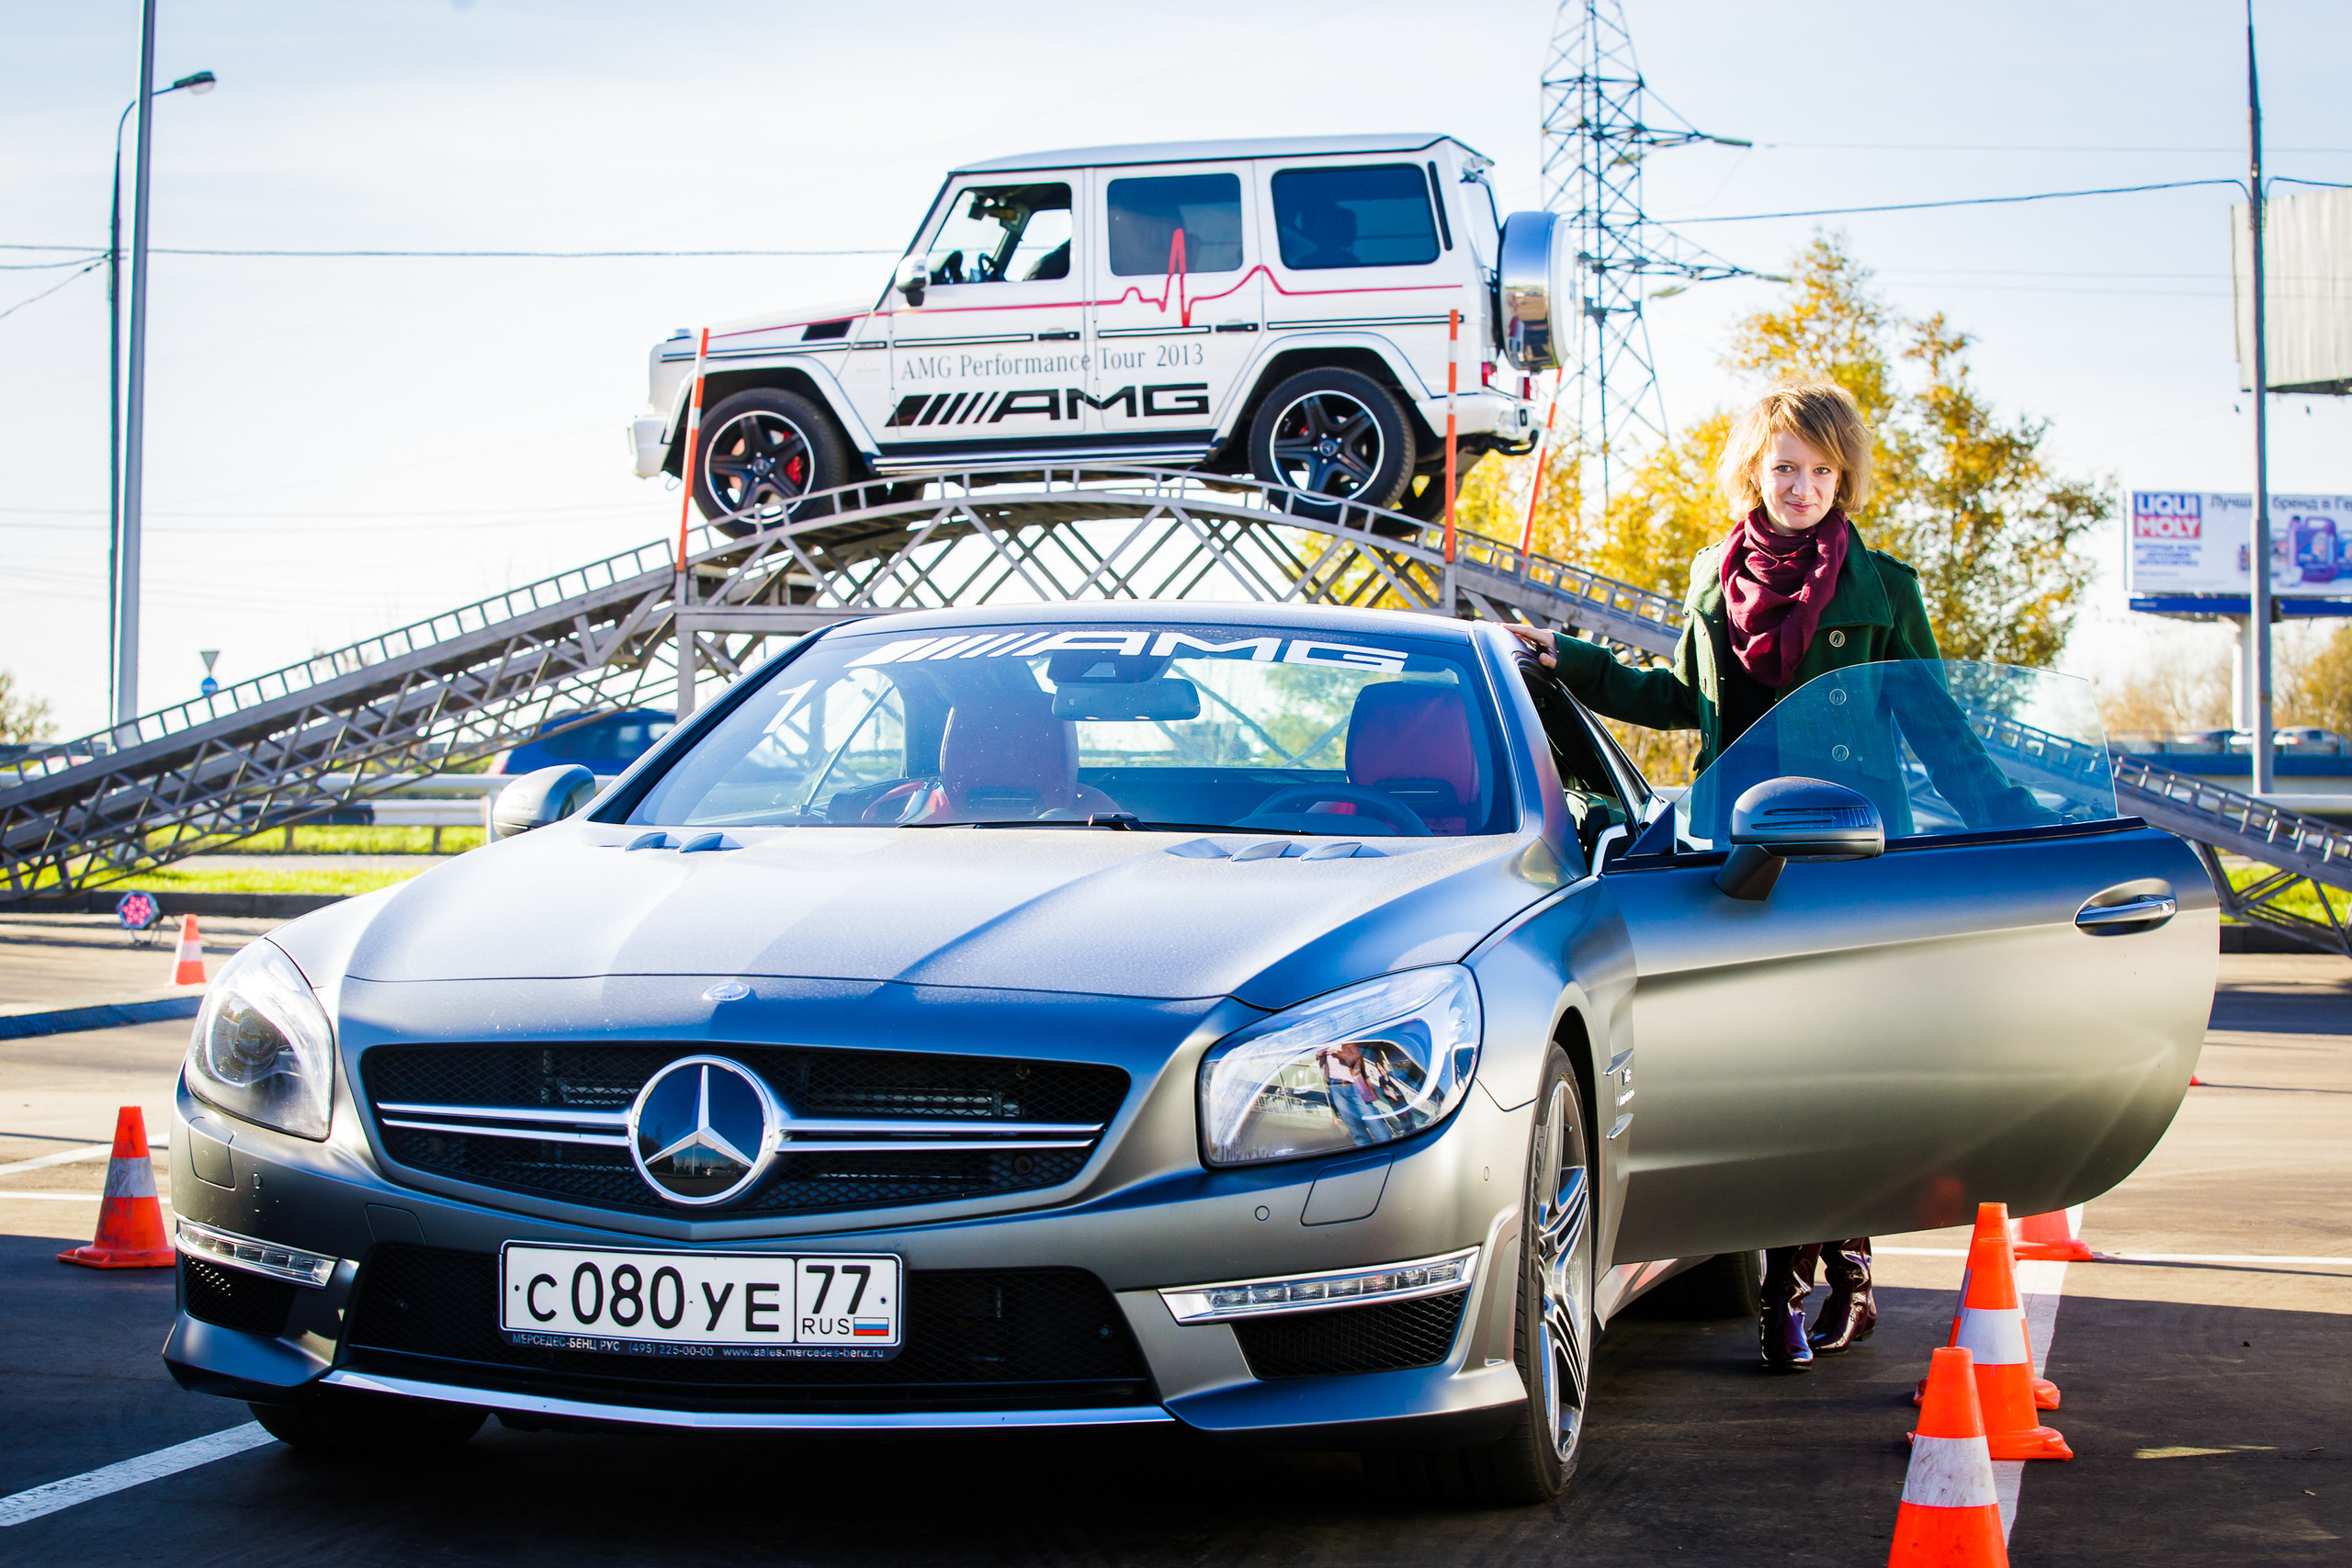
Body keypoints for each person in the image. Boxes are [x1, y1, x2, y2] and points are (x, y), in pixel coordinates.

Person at [1512, 379, 1928, 1372]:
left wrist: (2016, 822)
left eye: (1821, 470)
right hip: (1740, 862)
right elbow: (1678, 699)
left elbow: (1934, 724)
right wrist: (1568, 661)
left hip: (1847, 860)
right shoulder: (1717, 575)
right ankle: (1829, 1281)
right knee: (1772, 1076)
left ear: (1844, 478)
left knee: (1839, 1078)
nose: (1802, 486)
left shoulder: (1884, 588)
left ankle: (1802, 1289)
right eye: (1786, 467)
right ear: (1755, 471)